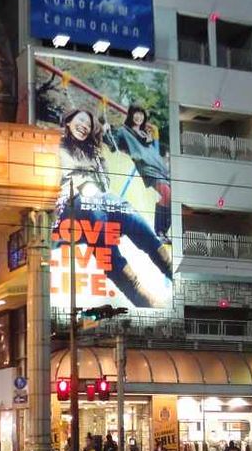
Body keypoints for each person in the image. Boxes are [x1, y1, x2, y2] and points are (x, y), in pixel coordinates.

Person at [54, 108, 173, 309]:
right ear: (68, 121)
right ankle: (142, 296)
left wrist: (98, 164)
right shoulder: (57, 145)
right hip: (70, 203)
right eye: (80, 120)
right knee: (94, 211)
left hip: (98, 199)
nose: (84, 126)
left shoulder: (93, 153)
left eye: (88, 125)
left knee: (124, 209)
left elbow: (104, 184)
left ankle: (170, 269)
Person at [102, 104, 173, 238]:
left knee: (171, 198)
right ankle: (160, 231)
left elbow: (153, 151)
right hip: (147, 168)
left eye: (141, 114)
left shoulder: (146, 134)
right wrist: (106, 132)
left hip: (160, 169)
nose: (139, 117)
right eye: (136, 113)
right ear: (131, 115)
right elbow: (113, 145)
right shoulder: (124, 131)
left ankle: (163, 231)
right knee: (166, 193)